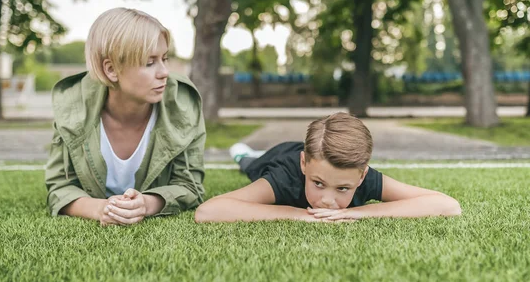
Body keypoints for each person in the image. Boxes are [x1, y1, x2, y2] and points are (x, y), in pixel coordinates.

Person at [45, 8, 206, 226]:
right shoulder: (72, 106)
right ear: (111, 69)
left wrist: (147, 204)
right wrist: (102, 209)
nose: (164, 72)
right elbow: (59, 187)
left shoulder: (183, 103)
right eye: (149, 63)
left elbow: (190, 185)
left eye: (164, 59)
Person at [195, 112, 461, 223]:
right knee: (249, 164)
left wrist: (362, 213)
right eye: (318, 183)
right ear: (305, 165)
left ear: (361, 176)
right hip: (277, 156)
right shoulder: (286, 175)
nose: (327, 200)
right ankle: (243, 154)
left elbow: (448, 205)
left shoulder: (363, 176)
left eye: (343, 188)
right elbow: (208, 211)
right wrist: (297, 214)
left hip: (311, 156)